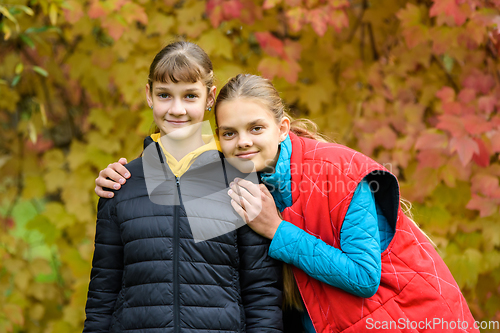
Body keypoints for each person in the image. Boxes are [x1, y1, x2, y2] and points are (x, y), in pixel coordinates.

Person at [96, 74, 479, 333]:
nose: (243, 141)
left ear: (282, 128)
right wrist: (122, 177)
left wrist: (275, 228)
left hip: (412, 318)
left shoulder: (340, 170)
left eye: (256, 128)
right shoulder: (237, 180)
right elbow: (170, 222)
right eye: (229, 133)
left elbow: (364, 278)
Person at [83, 44, 283, 333]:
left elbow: (261, 294)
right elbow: (102, 293)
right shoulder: (121, 185)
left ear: (210, 97)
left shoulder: (240, 181)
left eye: (190, 96)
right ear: (149, 95)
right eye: (165, 95)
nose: (177, 109)